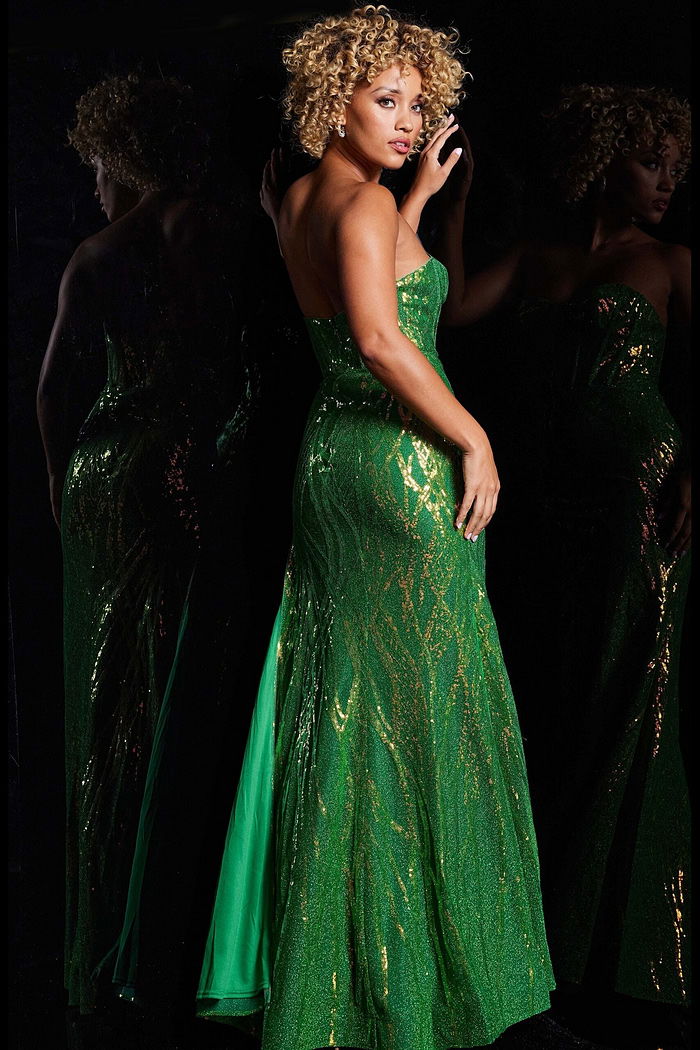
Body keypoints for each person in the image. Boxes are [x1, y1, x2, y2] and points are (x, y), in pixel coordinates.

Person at [195, 7, 555, 1049]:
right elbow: (382, 339)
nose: (407, 122)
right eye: (384, 100)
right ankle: (422, 982)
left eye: (416, 104)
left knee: (351, 700)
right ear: (330, 98)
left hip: (333, 463)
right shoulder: (359, 204)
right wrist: (475, 438)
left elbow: (369, 272)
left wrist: (423, 199)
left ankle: (346, 976)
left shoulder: (302, 197)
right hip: (400, 466)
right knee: (429, 702)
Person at [406, 83, 691, 1046]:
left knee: (635, 696)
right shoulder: (539, 257)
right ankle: (553, 942)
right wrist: (455, 210)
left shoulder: (671, 261)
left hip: (642, 500)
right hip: (549, 503)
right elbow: (449, 314)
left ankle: (632, 954)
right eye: (652, 162)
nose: (668, 182)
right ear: (604, 158)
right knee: (558, 695)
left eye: (677, 167)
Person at [36, 71, 249, 1046]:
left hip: (103, 472)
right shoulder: (221, 230)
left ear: (124, 155)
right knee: (178, 688)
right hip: (186, 465)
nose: (94, 185)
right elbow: (244, 360)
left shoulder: (97, 252)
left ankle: (117, 937)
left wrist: (58, 484)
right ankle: (170, 936)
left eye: (97, 164)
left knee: (108, 689)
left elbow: (54, 389)